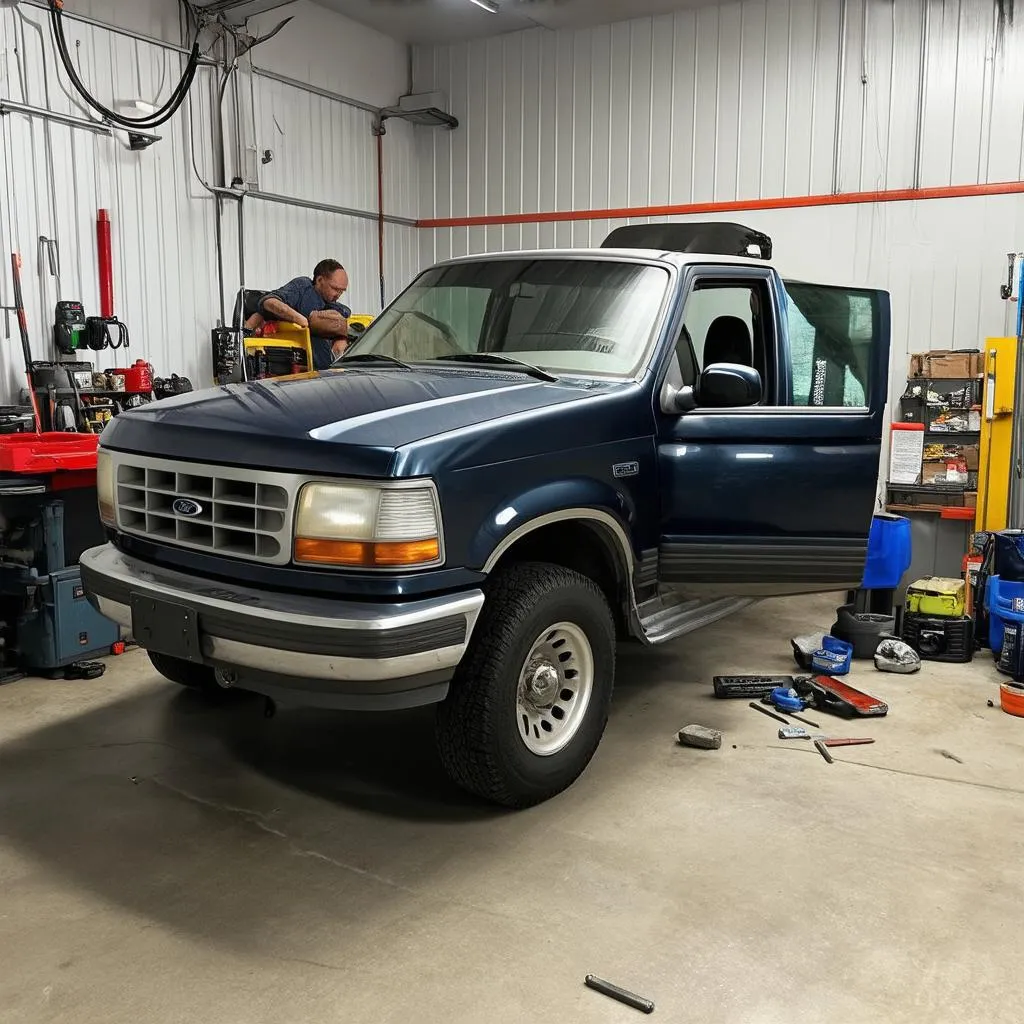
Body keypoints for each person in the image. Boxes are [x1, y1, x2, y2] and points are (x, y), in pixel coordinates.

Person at [260, 260, 351, 370]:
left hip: (327, 372)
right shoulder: (303, 287)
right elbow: (269, 302)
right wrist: (301, 319)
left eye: (342, 291)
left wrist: (342, 336)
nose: (338, 295)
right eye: (335, 289)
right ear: (319, 280)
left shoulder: (337, 308)